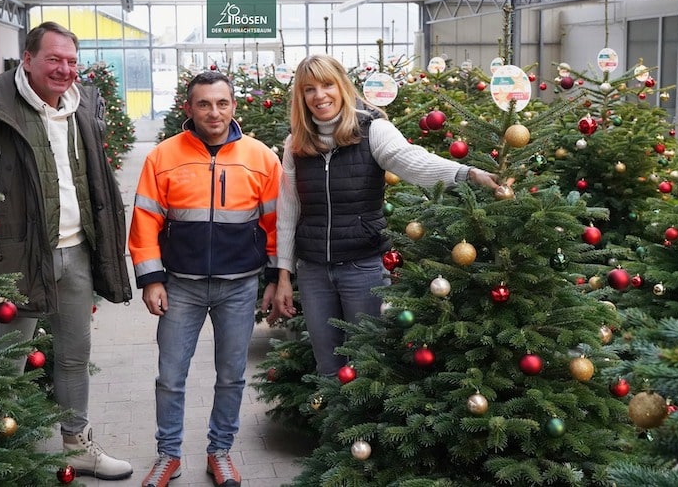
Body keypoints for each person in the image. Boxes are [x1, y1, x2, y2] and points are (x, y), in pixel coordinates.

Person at [0, 21, 133, 480]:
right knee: (8, 358)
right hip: (17, 259)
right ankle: (0, 451)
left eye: (71, 61)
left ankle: (77, 445)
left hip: (76, 252)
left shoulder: (82, 106)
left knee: (73, 355)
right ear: (27, 60)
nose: (64, 69)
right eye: (54, 59)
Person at [263, 54, 501, 377]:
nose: (319, 96)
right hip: (313, 271)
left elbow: (412, 161)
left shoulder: (373, 130)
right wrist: (283, 276)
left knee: (367, 365)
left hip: (362, 268)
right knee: (328, 367)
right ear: (301, 97)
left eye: (327, 85)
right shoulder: (297, 144)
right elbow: (289, 211)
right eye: (309, 89)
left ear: (342, 86)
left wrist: (466, 173)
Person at [128, 69, 281, 487]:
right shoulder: (163, 156)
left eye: (222, 103)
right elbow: (144, 221)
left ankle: (220, 452)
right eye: (204, 104)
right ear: (189, 108)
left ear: (234, 106)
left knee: (231, 376)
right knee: (170, 376)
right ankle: (168, 455)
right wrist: (151, 279)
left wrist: (275, 277)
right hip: (181, 286)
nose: (214, 112)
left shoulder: (261, 157)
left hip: (240, 286)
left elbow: (275, 223)